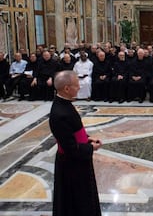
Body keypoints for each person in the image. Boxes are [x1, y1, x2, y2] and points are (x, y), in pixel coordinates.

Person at [49, 70, 102, 216]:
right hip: (71, 166)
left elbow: (74, 131)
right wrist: (91, 148)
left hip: (78, 160)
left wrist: (87, 138)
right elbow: (71, 148)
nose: (79, 87)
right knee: (76, 204)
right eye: (76, 85)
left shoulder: (65, 103)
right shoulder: (59, 113)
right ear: (67, 88)